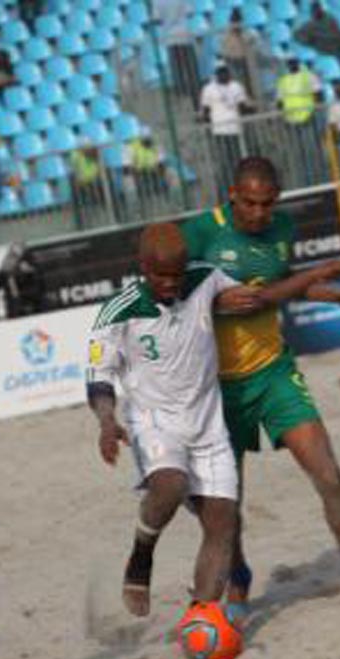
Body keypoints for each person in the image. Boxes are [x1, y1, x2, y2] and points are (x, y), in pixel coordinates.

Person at [182, 156, 340, 605]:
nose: (259, 213)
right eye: (249, 203)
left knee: (328, 474)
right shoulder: (199, 232)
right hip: (215, 389)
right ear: (232, 195)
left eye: (267, 204)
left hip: (274, 374)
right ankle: (238, 582)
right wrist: (211, 305)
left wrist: (330, 294)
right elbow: (168, 294)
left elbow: (281, 282)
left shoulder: (282, 229)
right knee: (226, 505)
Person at [86, 222, 259, 617]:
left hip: (208, 425)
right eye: (160, 276)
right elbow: (97, 376)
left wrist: (311, 283)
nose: (170, 284)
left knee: (223, 524)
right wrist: (106, 422)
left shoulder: (204, 277)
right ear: (142, 266)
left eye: (176, 275)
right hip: (154, 422)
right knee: (170, 484)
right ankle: (141, 556)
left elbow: (249, 296)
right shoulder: (118, 310)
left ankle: (203, 615)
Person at [200, 61, 255, 197]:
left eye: (225, 71)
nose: (223, 74)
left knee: (238, 162)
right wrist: (208, 124)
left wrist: (252, 109)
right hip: (219, 131)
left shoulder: (236, 86)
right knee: (224, 164)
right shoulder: (209, 88)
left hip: (236, 130)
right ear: (215, 73)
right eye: (220, 71)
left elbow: (242, 106)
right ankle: (224, 194)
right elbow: (206, 110)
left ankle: (240, 191)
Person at [276, 57, 326, 186]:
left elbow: (319, 95)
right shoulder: (283, 81)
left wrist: (315, 113)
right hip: (292, 122)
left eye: (293, 61)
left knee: (312, 151)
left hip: (308, 118)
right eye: (289, 62)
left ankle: (320, 181)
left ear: (298, 62)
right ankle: (304, 183)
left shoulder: (308, 76)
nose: (291, 64)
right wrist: (284, 118)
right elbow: (280, 102)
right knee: (297, 155)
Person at [220, 7, 279, 104]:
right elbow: (227, 56)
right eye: (235, 21)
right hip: (236, 66)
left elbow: (257, 52)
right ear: (231, 22)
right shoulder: (226, 37)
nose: (237, 24)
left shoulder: (248, 33)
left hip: (251, 66)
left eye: (239, 20)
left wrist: (268, 59)